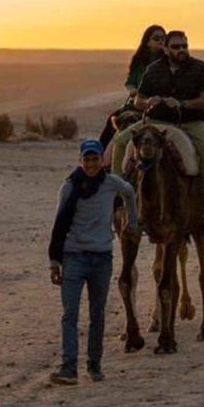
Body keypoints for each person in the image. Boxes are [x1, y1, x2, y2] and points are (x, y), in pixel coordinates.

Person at [110, 30, 204, 227]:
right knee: (121, 141)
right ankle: (116, 192)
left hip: (190, 122)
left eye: (184, 46)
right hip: (158, 120)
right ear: (166, 48)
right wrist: (150, 100)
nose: (181, 50)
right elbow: (139, 100)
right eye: (176, 47)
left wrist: (182, 103)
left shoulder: (199, 68)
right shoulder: (153, 69)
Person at [47, 139, 138, 385]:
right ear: (80, 161)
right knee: (70, 314)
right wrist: (54, 262)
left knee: (97, 314)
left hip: (101, 257)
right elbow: (58, 226)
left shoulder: (111, 183)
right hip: (74, 257)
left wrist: (133, 220)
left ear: (101, 160)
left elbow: (129, 192)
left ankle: (94, 365)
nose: (90, 164)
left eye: (94, 159)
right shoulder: (69, 188)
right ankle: (68, 367)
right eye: (86, 159)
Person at [100, 25, 166, 148]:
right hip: (137, 103)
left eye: (163, 38)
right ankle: (99, 156)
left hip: (159, 104)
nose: (161, 41)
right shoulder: (140, 63)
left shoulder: (168, 62)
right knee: (113, 122)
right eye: (156, 38)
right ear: (147, 42)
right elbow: (130, 83)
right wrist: (138, 93)